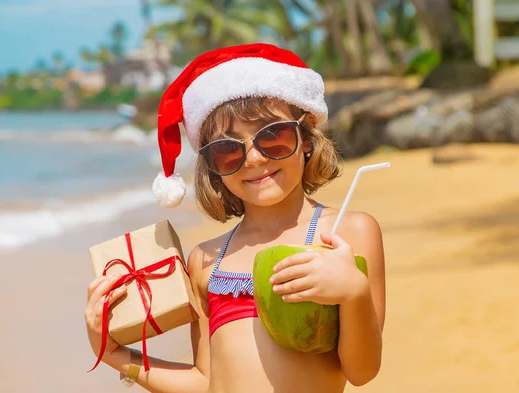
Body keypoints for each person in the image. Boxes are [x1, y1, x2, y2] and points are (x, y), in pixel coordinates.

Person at [84, 43, 386, 393]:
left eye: (273, 136)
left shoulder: (347, 232)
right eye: (228, 150)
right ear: (213, 168)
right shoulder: (206, 262)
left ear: (306, 137)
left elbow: (361, 371)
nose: (254, 158)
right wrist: (114, 354)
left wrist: (354, 292)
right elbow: (205, 382)